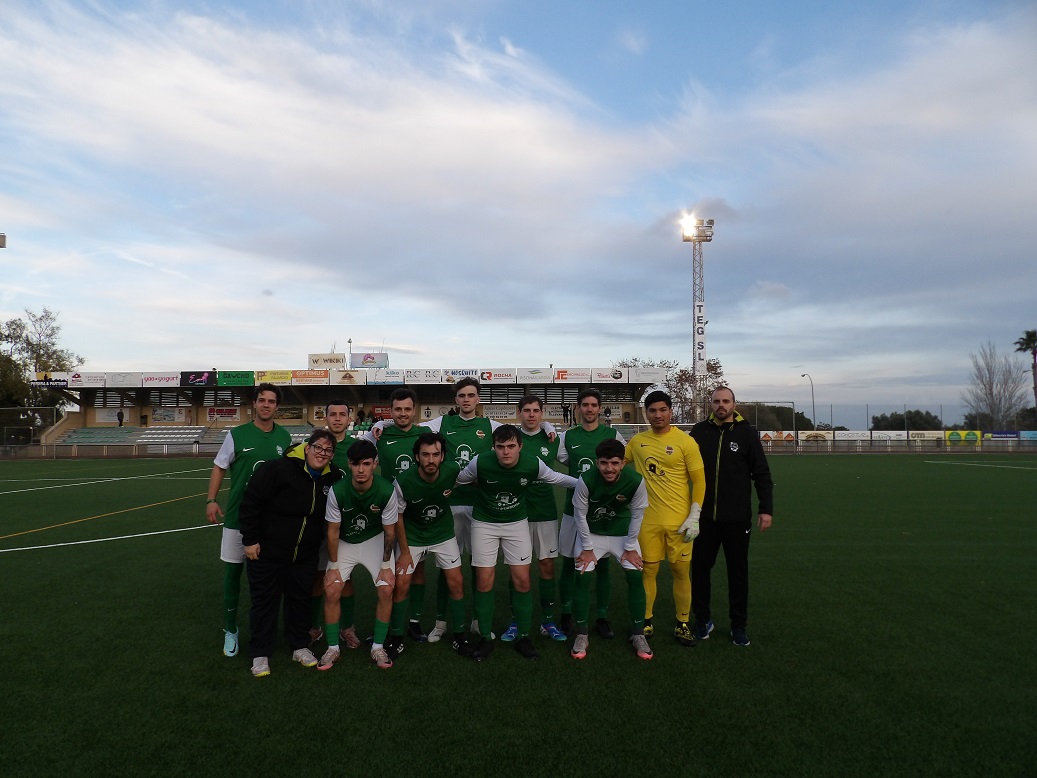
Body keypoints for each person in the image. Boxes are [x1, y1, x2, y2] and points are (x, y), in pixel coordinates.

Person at [372, 377, 554, 642]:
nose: (466, 400)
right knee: (448, 567)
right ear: (455, 399)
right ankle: (442, 621)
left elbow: (521, 429)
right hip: (451, 505)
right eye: (462, 395)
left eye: (471, 395)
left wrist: (547, 424)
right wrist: (381, 423)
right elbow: (409, 423)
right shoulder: (441, 424)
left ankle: (479, 621)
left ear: (478, 399)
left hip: (481, 508)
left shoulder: (490, 426)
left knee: (479, 566)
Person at [456, 424, 577, 660]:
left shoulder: (532, 463)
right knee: (484, 580)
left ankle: (523, 637)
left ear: (520, 446)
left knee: (522, 580)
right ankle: (485, 638)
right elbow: (456, 480)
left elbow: (558, 478)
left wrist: (587, 484)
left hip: (516, 524)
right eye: (500, 447)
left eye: (511, 446)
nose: (506, 452)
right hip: (485, 524)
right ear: (493, 447)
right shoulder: (480, 462)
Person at [239, 430, 342, 678]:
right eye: (318, 447)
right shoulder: (277, 469)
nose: (322, 453)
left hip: (305, 555)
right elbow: (251, 502)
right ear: (307, 448)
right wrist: (250, 540)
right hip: (268, 552)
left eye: (328, 450)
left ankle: (299, 645)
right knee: (265, 603)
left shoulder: (334, 477)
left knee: (300, 601)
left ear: (332, 455)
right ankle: (260, 653)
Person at [205, 383, 292, 658]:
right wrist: (211, 499)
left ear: (277, 407)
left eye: (271, 401)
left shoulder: (285, 438)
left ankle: (266, 631)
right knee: (233, 574)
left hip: (271, 522)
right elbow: (219, 466)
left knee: (268, 579)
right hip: (237, 517)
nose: (266, 405)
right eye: (262, 400)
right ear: (254, 403)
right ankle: (230, 630)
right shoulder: (237, 435)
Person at [690, 386, 774, 647]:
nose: (721, 405)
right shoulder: (699, 432)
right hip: (704, 518)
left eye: (726, 401)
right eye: (716, 401)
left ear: (734, 404)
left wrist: (766, 509)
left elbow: (762, 473)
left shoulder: (747, 433)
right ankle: (702, 619)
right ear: (711, 404)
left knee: (738, 573)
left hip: (737, 518)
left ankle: (739, 625)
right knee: (700, 570)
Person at [625, 390, 705, 647]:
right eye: (652, 410)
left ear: (671, 411)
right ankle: (646, 621)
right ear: (646, 413)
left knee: (680, 570)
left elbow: (699, 481)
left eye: (662, 410)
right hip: (647, 521)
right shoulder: (637, 442)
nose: (657, 415)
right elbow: (614, 462)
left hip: (679, 522)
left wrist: (695, 515)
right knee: (648, 571)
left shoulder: (686, 442)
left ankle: (683, 623)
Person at [388, 432, 473, 657]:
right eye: (425, 455)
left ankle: (459, 637)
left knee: (456, 581)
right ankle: (396, 637)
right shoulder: (403, 481)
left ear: (443, 456)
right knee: (401, 583)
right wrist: (405, 552)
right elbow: (398, 517)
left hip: (442, 533)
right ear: (417, 457)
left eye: (436, 454)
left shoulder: (452, 470)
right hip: (413, 535)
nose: (431, 460)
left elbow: (476, 476)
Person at [318, 440, 399, 671]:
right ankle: (332, 648)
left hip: (375, 539)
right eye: (355, 464)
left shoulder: (386, 490)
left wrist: (386, 565)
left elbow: (390, 532)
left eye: (366, 463)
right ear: (349, 464)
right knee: (332, 589)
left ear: (375, 464)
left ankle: (378, 647)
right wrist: (333, 566)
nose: (360, 469)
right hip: (346, 541)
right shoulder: (338, 490)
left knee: (386, 588)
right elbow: (332, 532)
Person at [571, 438, 652, 661]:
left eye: (615, 463)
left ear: (623, 463)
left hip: (622, 533)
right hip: (592, 533)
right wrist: (587, 548)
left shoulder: (635, 480)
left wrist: (630, 547)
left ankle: (638, 634)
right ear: (597, 462)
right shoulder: (586, 480)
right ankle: (581, 634)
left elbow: (638, 514)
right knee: (582, 575)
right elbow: (579, 515)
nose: (609, 468)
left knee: (635, 575)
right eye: (604, 463)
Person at [362, 388, 431, 642]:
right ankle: (387, 625)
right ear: (390, 411)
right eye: (398, 409)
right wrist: (379, 425)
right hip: (387, 512)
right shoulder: (380, 435)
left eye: (407, 409)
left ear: (414, 411)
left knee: (417, 569)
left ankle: (414, 622)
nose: (403, 413)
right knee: (386, 571)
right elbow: (358, 452)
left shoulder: (425, 434)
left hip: (417, 511)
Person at [556, 388, 625, 638]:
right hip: (572, 510)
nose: (589, 409)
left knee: (603, 564)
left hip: (602, 511)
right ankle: (566, 612)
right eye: (585, 405)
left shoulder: (612, 435)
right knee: (568, 562)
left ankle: (602, 616)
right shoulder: (567, 436)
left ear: (599, 408)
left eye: (594, 405)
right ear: (578, 408)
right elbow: (565, 460)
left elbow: (620, 465)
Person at [501, 395, 566, 642]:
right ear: (519, 412)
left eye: (536, 410)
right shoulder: (510, 439)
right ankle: (516, 620)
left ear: (542, 413)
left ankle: (547, 621)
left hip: (545, 512)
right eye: (526, 410)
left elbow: (569, 461)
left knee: (546, 565)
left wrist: (549, 427)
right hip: (516, 513)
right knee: (519, 569)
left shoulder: (553, 440)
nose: (531, 414)